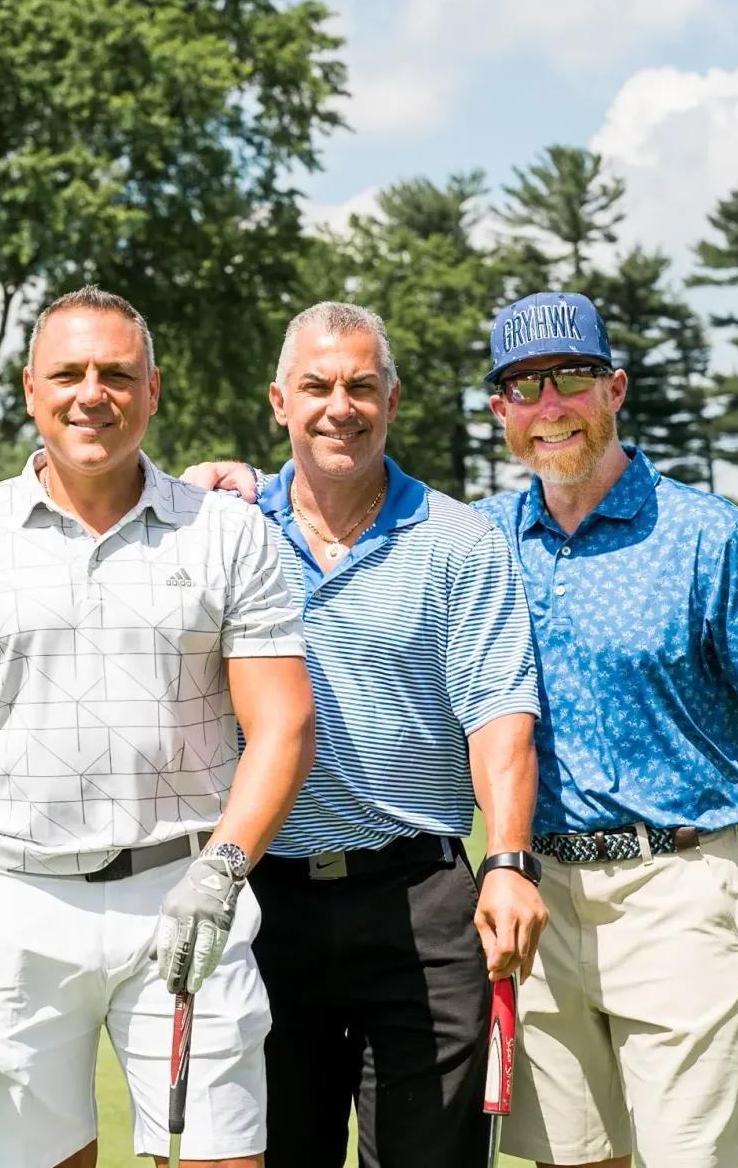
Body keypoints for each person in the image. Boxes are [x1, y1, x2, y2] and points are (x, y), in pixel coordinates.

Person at [0, 286, 317, 1168]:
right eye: (68, 372)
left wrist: (225, 869)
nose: (91, 393)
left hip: (188, 892)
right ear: (29, 388)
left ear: (153, 390)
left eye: (116, 373)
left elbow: (283, 724)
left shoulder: (226, 535)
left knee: (222, 1158)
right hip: (7, 901)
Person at [468, 292, 738, 1168]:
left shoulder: (708, 535)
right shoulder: (482, 539)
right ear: (500, 410)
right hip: (535, 893)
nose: (551, 407)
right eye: (525, 386)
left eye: (572, 379)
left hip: (678, 884)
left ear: (614, 388)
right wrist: (239, 484)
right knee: (573, 1158)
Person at [179, 302, 547, 1168]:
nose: (338, 405)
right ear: (279, 400)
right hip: (263, 901)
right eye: (316, 386)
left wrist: (508, 859)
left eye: (360, 385)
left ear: (392, 396)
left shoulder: (462, 541)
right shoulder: (223, 530)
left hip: (419, 905)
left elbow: (498, 714)